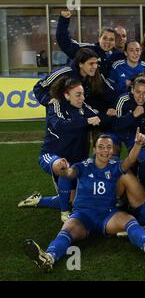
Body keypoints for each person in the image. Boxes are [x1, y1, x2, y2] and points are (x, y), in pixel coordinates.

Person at [23, 131, 145, 272]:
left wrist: (138, 144)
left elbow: (130, 160)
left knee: (129, 220)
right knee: (67, 230)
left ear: (113, 150)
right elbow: (68, 173)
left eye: (108, 147)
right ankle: (48, 258)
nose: (105, 151)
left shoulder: (115, 167)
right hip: (83, 215)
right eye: (101, 147)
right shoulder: (82, 166)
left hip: (107, 214)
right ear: (94, 149)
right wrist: (62, 168)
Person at [19, 77, 102, 222]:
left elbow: (100, 118)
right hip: (51, 155)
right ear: (66, 95)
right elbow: (60, 126)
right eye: (78, 94)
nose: (82, 98)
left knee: (74, 200)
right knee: (63, 165)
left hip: (77, 160)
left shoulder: (84, 107)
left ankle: (39, 201)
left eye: (82, 94)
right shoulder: (55, 104)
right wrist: (86, 121)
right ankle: (64, 213)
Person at [33, 48, 116, 115]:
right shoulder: (64, 73)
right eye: (91, 63)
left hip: (82, 120)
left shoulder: (96, 76)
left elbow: (107, 93)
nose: (95, 66)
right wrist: (48, 100)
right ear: (80, 64)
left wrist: (110, 108)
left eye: (96, 63)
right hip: (60, 120)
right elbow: (39, 87)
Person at [56, 10, 122, 77]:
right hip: (76, 85)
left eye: (111, 39)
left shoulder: (115, 55)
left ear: (115, 42)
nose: (107, 42)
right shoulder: (87, 49)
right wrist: (64, 20)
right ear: (99, 39)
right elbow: (65, 43)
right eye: (104, 38)